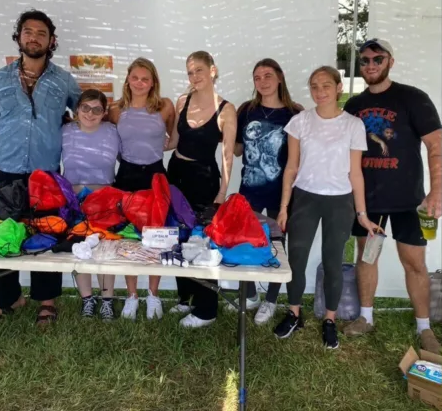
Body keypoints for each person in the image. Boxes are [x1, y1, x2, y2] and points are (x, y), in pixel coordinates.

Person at [0, 11, 81, 326]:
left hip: (44, 175)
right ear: (19, 37)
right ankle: (10, 299)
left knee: (44, 233)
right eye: (28, 31)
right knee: (1, 236)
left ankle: (47, 302)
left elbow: (86, 112)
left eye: (41, 33)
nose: (34, 37)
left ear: (51, 41)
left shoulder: (64, 80)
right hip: (1, 170)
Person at [343, 40, 442, 353]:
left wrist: (436, 190)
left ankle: (424, 327)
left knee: (414, 262)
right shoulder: (353, 105)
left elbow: (435, 146)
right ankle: (366, 317)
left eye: (377, 58)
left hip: (408, 201)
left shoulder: (413, 98)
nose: (370, 65)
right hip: (367, 202)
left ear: (390, 61)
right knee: (366, 256)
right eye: (364, 60)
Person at [273, 67, 380, 350]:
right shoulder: (300, 122)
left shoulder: (353, 125)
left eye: (325, 86)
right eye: (314, 86)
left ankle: (330, 320)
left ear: (338, 88)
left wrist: (362, 214)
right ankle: (294, 313)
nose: (320, 92)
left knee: (333, 262)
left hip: (339, 201)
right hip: (305, 198)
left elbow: (356, 174)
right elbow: (291, 167)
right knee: (295, 259)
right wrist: (284, 207)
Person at [167, 51, 237, 327]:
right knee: (178, 237)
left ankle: (207, 309)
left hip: (204, 178)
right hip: (176, 173)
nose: (194, 77)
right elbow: (172, 140)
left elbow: (227, 155)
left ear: (212, 71)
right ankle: (186, 298)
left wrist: (222, 192)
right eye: (189, 72)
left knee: (202, 240)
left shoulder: (226, 109)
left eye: (199, 70)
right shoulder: (182, 101)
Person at [235, 59, 302, 325]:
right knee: (245, 240)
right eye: (257, 77)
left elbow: (299, 157)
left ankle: (271, 301)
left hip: (280, 192)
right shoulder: (246, 110)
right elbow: (238, 149)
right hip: (249, 189)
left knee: (277, 246)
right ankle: (250, 294)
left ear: (280, 78)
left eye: (268, 75)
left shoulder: (295, 114)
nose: (262, 81)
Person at [108, 57, 175, 320]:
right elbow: (110, 141)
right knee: (128, 237)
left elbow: (174, 137)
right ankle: (132, 295)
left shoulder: (165, 106)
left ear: (153, 83)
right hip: (126, 175)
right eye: (135, 77)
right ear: (127, 80)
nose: (139, 83)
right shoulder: (116, 109)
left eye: (145, 79)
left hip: (156, 174)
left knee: (157, 236)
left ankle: (154, 295)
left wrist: (156, 151)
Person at [61, 89, 120, 319]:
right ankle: (87, 299)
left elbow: (129, 159)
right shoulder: (65, 132)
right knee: (79, 249)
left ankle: (107, 300)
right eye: (85, 107)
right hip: (74, 202)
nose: (90, 113)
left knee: (105, 250)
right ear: (77, 109)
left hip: (104, 202)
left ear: (104, 112)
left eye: (97, 109)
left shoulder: (113, 132)